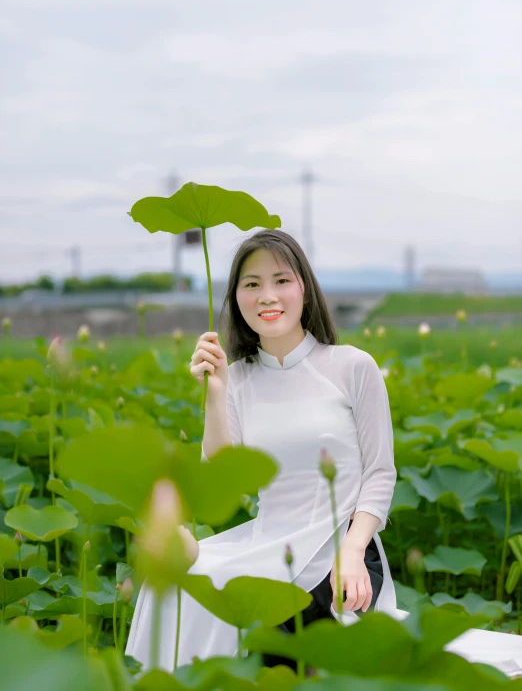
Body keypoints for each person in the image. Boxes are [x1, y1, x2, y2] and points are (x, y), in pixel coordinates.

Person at [125, 230, 522, 679]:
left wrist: (353, 550)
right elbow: (221, 481)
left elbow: (380, 473)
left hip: (340, 545)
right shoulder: (234, 379)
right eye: (251, 284)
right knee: (173, 587)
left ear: (305, 289)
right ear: (235, 297)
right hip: (267, 544)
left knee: (299, 647)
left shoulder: (351, 366)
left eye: (281, 280)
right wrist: (215, 395)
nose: (267, 295)